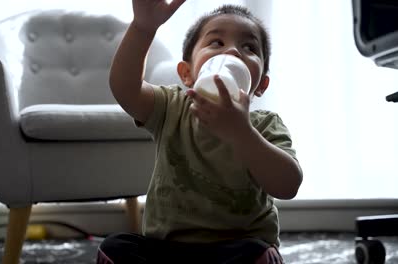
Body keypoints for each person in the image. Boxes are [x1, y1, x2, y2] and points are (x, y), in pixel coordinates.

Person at [98, 1, 303, 263]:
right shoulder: (171, 107)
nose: (232, 51)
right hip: (166, 249)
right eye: (216, 43)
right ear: (186, 73)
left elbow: (288, 185)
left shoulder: (265, 125)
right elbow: (124, 88)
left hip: (233, 249)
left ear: (261, 84)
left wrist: (242, 133)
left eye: (249, 47)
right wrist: (143, 28)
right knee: (114, 248)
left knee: (259, 255)